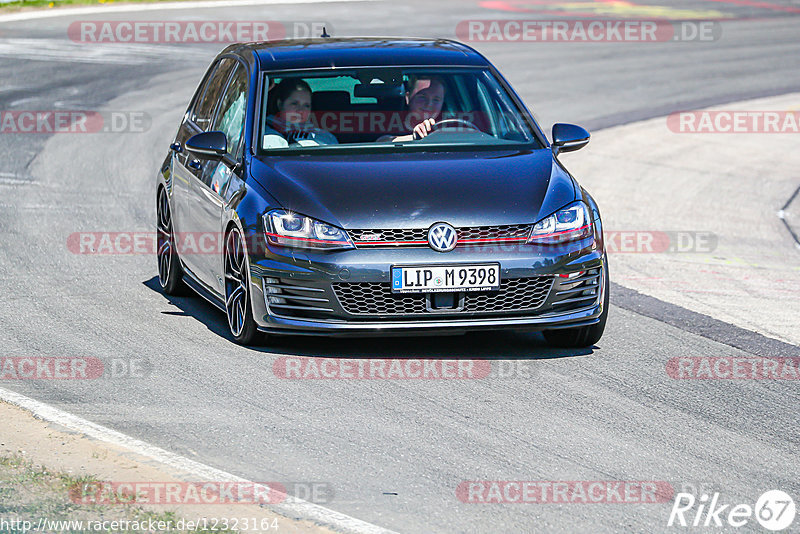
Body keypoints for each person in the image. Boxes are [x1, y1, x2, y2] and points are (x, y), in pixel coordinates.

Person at [263, 78, 337, 147]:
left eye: (306, 105)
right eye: (294, 104)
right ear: (280, 104)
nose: (301, 110)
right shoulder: (266, 135)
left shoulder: (325, 137)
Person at [378, 75, 445, 142]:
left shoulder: (448, 126)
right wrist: (415, 137)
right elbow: (382, 142)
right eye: (422, 97)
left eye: (436, 100)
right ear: (407, 98)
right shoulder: (390, 123)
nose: (429, 104)